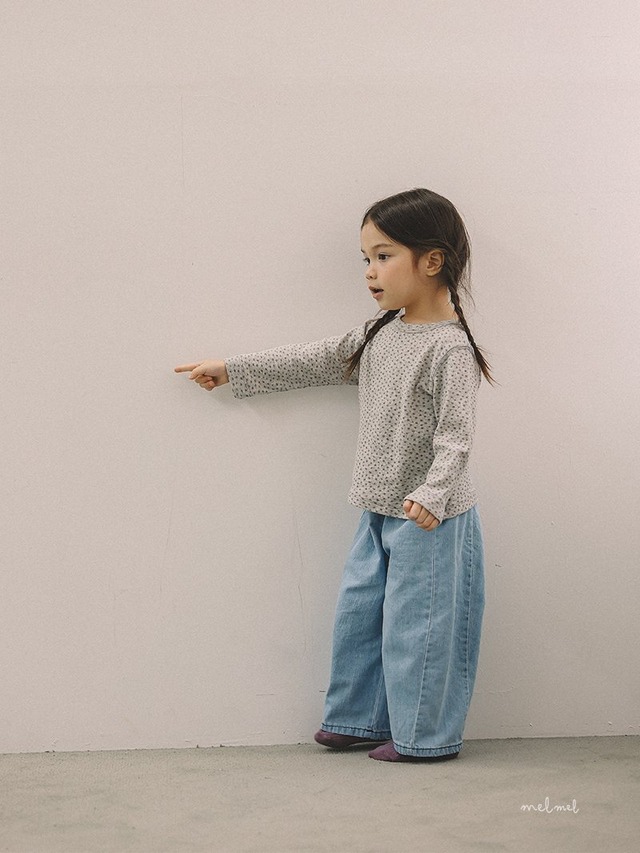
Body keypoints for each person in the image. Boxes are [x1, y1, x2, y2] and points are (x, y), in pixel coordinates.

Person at [175, 188, 496, 763]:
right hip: (377, 506)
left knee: (419, 629)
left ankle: (423, 737)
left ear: (432, 261)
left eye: (383, 256)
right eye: (366, 258)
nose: (369, 271)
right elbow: (316, 359)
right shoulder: (379, 333)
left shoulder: (449, 349)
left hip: (431, 517)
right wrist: (233, 369)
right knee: (359, 616)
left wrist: (434, 493)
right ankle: (358, 718)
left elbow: (456, 435)